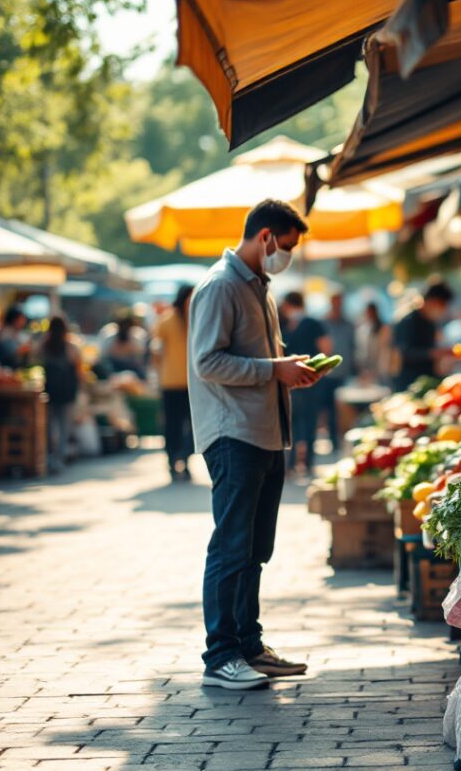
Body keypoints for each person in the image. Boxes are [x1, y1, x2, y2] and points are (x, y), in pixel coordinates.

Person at [188, 199, 322, 691]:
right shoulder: (220, 287)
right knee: (231, 545)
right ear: (266, 237)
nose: (286, 256)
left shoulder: (259, 289)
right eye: (285, 246)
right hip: (233, 434)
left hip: (267, 433)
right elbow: (209, 362)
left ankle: (248, 644)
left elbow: (259, 359)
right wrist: (274, 370)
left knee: (254, 548)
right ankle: (220, 655)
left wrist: (290, 366)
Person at [279, 291, 331, 474]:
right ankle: (291, 462)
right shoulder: (285, 325)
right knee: (292, 422)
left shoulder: (312, 323)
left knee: (309, 421)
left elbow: (325, 348)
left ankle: (307, 462)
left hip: (310, 381)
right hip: (290, 383)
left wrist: (317, 370)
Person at [153, 286, 194, 482]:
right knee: (172, 425)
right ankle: (173, 460)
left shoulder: (198, 318)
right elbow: (156, 350)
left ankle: (184, 458)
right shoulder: (167, 321)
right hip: (171, 383)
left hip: (194, 383)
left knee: (193, 426)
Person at [38, 316, 81, 474]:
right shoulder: (71, 346)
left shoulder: (44, 346)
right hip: (66, 391)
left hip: (50, 391)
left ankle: (50, 458)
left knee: (49, 426)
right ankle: (60, 457)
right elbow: (78, 369)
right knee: (64, 426)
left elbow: (34, 360)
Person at [393, 281, 453, 391]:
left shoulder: (431, 322)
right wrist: (433, 353)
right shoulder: (408, 321)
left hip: (428, 381)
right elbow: (405, 352)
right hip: (410, 384)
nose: (443, 310)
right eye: (442, 305)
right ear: (434, 302)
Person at [320, 293, 355, 451]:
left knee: (339, 410)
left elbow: (353, 347)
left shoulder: (348, 324)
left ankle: (337, 441)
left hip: (343, 373)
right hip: (325, 374)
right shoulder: (322, 322)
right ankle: (330, 438)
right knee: (326, 408)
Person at [357, 302, 394, 384]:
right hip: (369, 368)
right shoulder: (364, 328)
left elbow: (384, 349)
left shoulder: (384, 328)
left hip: (382, 368)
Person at [102, 314, 148, 378]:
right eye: (122, 325)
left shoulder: (136, 338)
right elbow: (104, 357)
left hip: (132, 369)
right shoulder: (110, 338)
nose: (124, 327)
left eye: (127, 325)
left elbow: (140, 359)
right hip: (114, 368)